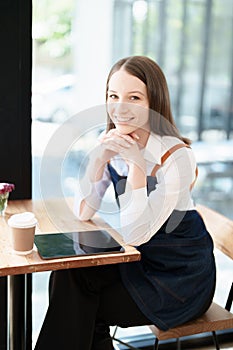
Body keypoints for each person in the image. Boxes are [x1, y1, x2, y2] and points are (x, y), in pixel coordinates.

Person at [35, 56, 216, 350]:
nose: (120, 108)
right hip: (140, 262)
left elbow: (135, 234)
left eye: (134, 97)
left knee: (78, 306)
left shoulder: (176, 157)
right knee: (69, 275)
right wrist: (98, 160)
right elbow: (84, 210)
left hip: (180, 279)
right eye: (113, 96)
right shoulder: (114, 141)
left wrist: (134, 167)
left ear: (153, 101)